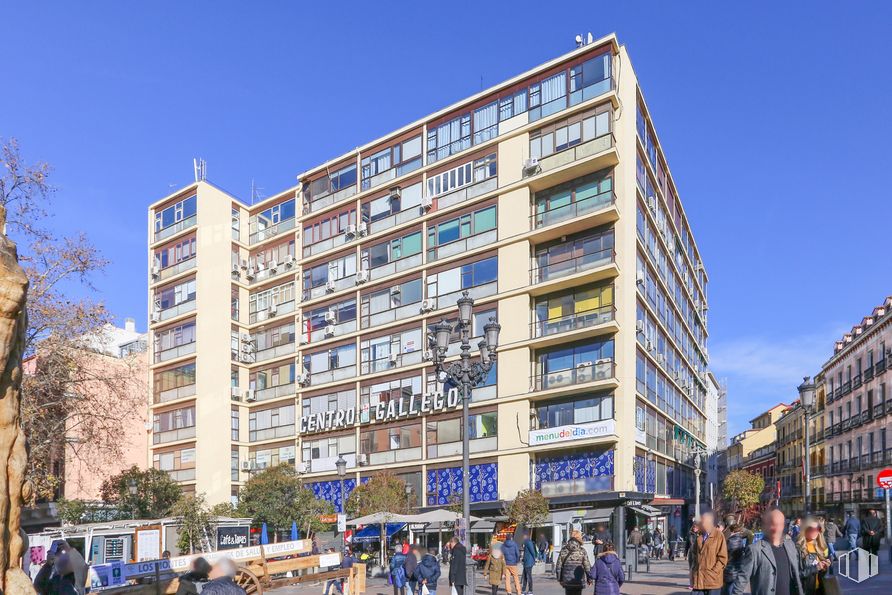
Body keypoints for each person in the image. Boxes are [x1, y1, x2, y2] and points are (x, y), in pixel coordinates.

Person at [731, 509, 805, 595]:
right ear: (766, 526)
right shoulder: (755, 550)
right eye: (773, 524)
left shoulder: (790, 546)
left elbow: (797, 576)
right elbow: (740, 583)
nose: (776, 528)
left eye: (780, 524)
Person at [689, 512, 728, 595]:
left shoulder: (718, 535)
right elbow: (694, 556)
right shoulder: (699, 536)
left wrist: (713, 572)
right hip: (699, 579)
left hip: (713, 581)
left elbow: (722, 558)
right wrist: (693, 572)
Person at [797, 518, 831, 595]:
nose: (815, 531)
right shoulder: (798, 549)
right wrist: (815, 568)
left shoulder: (819, 547)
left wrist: (824, 567)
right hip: (805, 591)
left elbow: (820, 575)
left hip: (818, 589)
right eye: (811, 528)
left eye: (817, 529)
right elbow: (796, 574)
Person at [555, 530, 590, 595]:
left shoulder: (564, 550)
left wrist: (560, 579)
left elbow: (558, 566)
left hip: (567, 580)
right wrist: (589, 579)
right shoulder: (582, 550)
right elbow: (587, 566)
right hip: (579, 579)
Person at [721, 524, 748, 595]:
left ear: (732, 530)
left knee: (727, 590)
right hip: (736, 568)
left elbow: (724, 554)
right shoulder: (739, 540)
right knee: (731, 589)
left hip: (729, 569)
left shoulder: (731, 540)